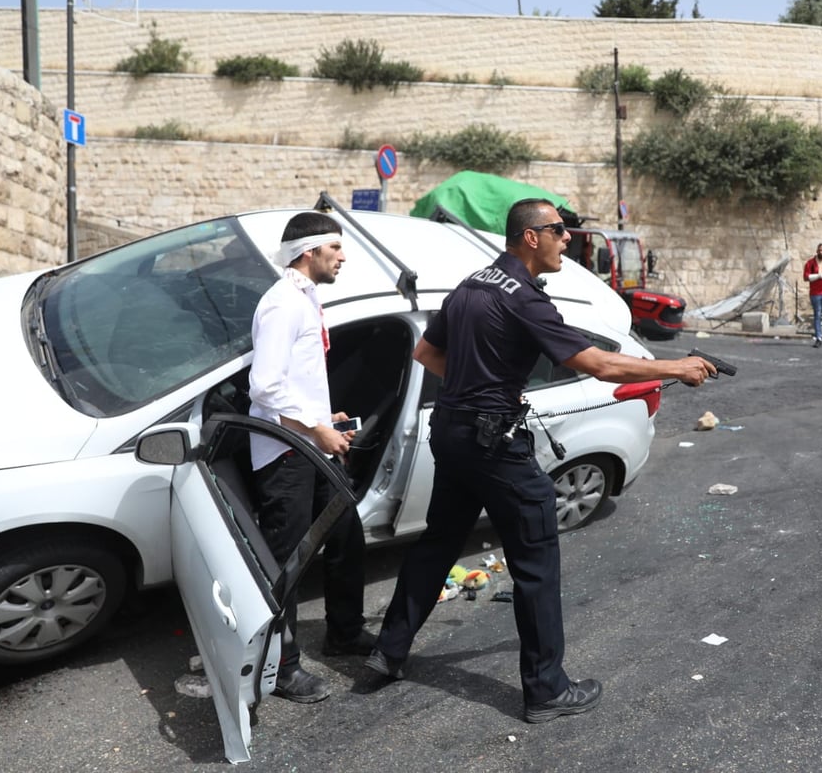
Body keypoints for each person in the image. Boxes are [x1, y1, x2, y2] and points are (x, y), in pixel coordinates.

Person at [365, 198, 716, 723]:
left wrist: (482, 382)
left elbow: (429, 356)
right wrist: (676, 365)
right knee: (535, 560)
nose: (567, 239)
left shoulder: (471, 285)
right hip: (494, 444)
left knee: (437, 544)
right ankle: (547, 689)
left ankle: (388, 652)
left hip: (453, 430)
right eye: (559, 230)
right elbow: (594, 363)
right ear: (531, 237)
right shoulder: (525, 299)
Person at [248, 212, 373, 704]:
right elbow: (265, 386)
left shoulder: (305, 296)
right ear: (309, 251)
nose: (342, 257)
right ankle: (281, 669)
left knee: (347, 536)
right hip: (286, 455)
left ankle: (343, 633)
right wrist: (315, 427)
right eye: (335, 248)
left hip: (308, 442)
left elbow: (292, 379)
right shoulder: (282, 305)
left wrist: (323, 414)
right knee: (289, 563)